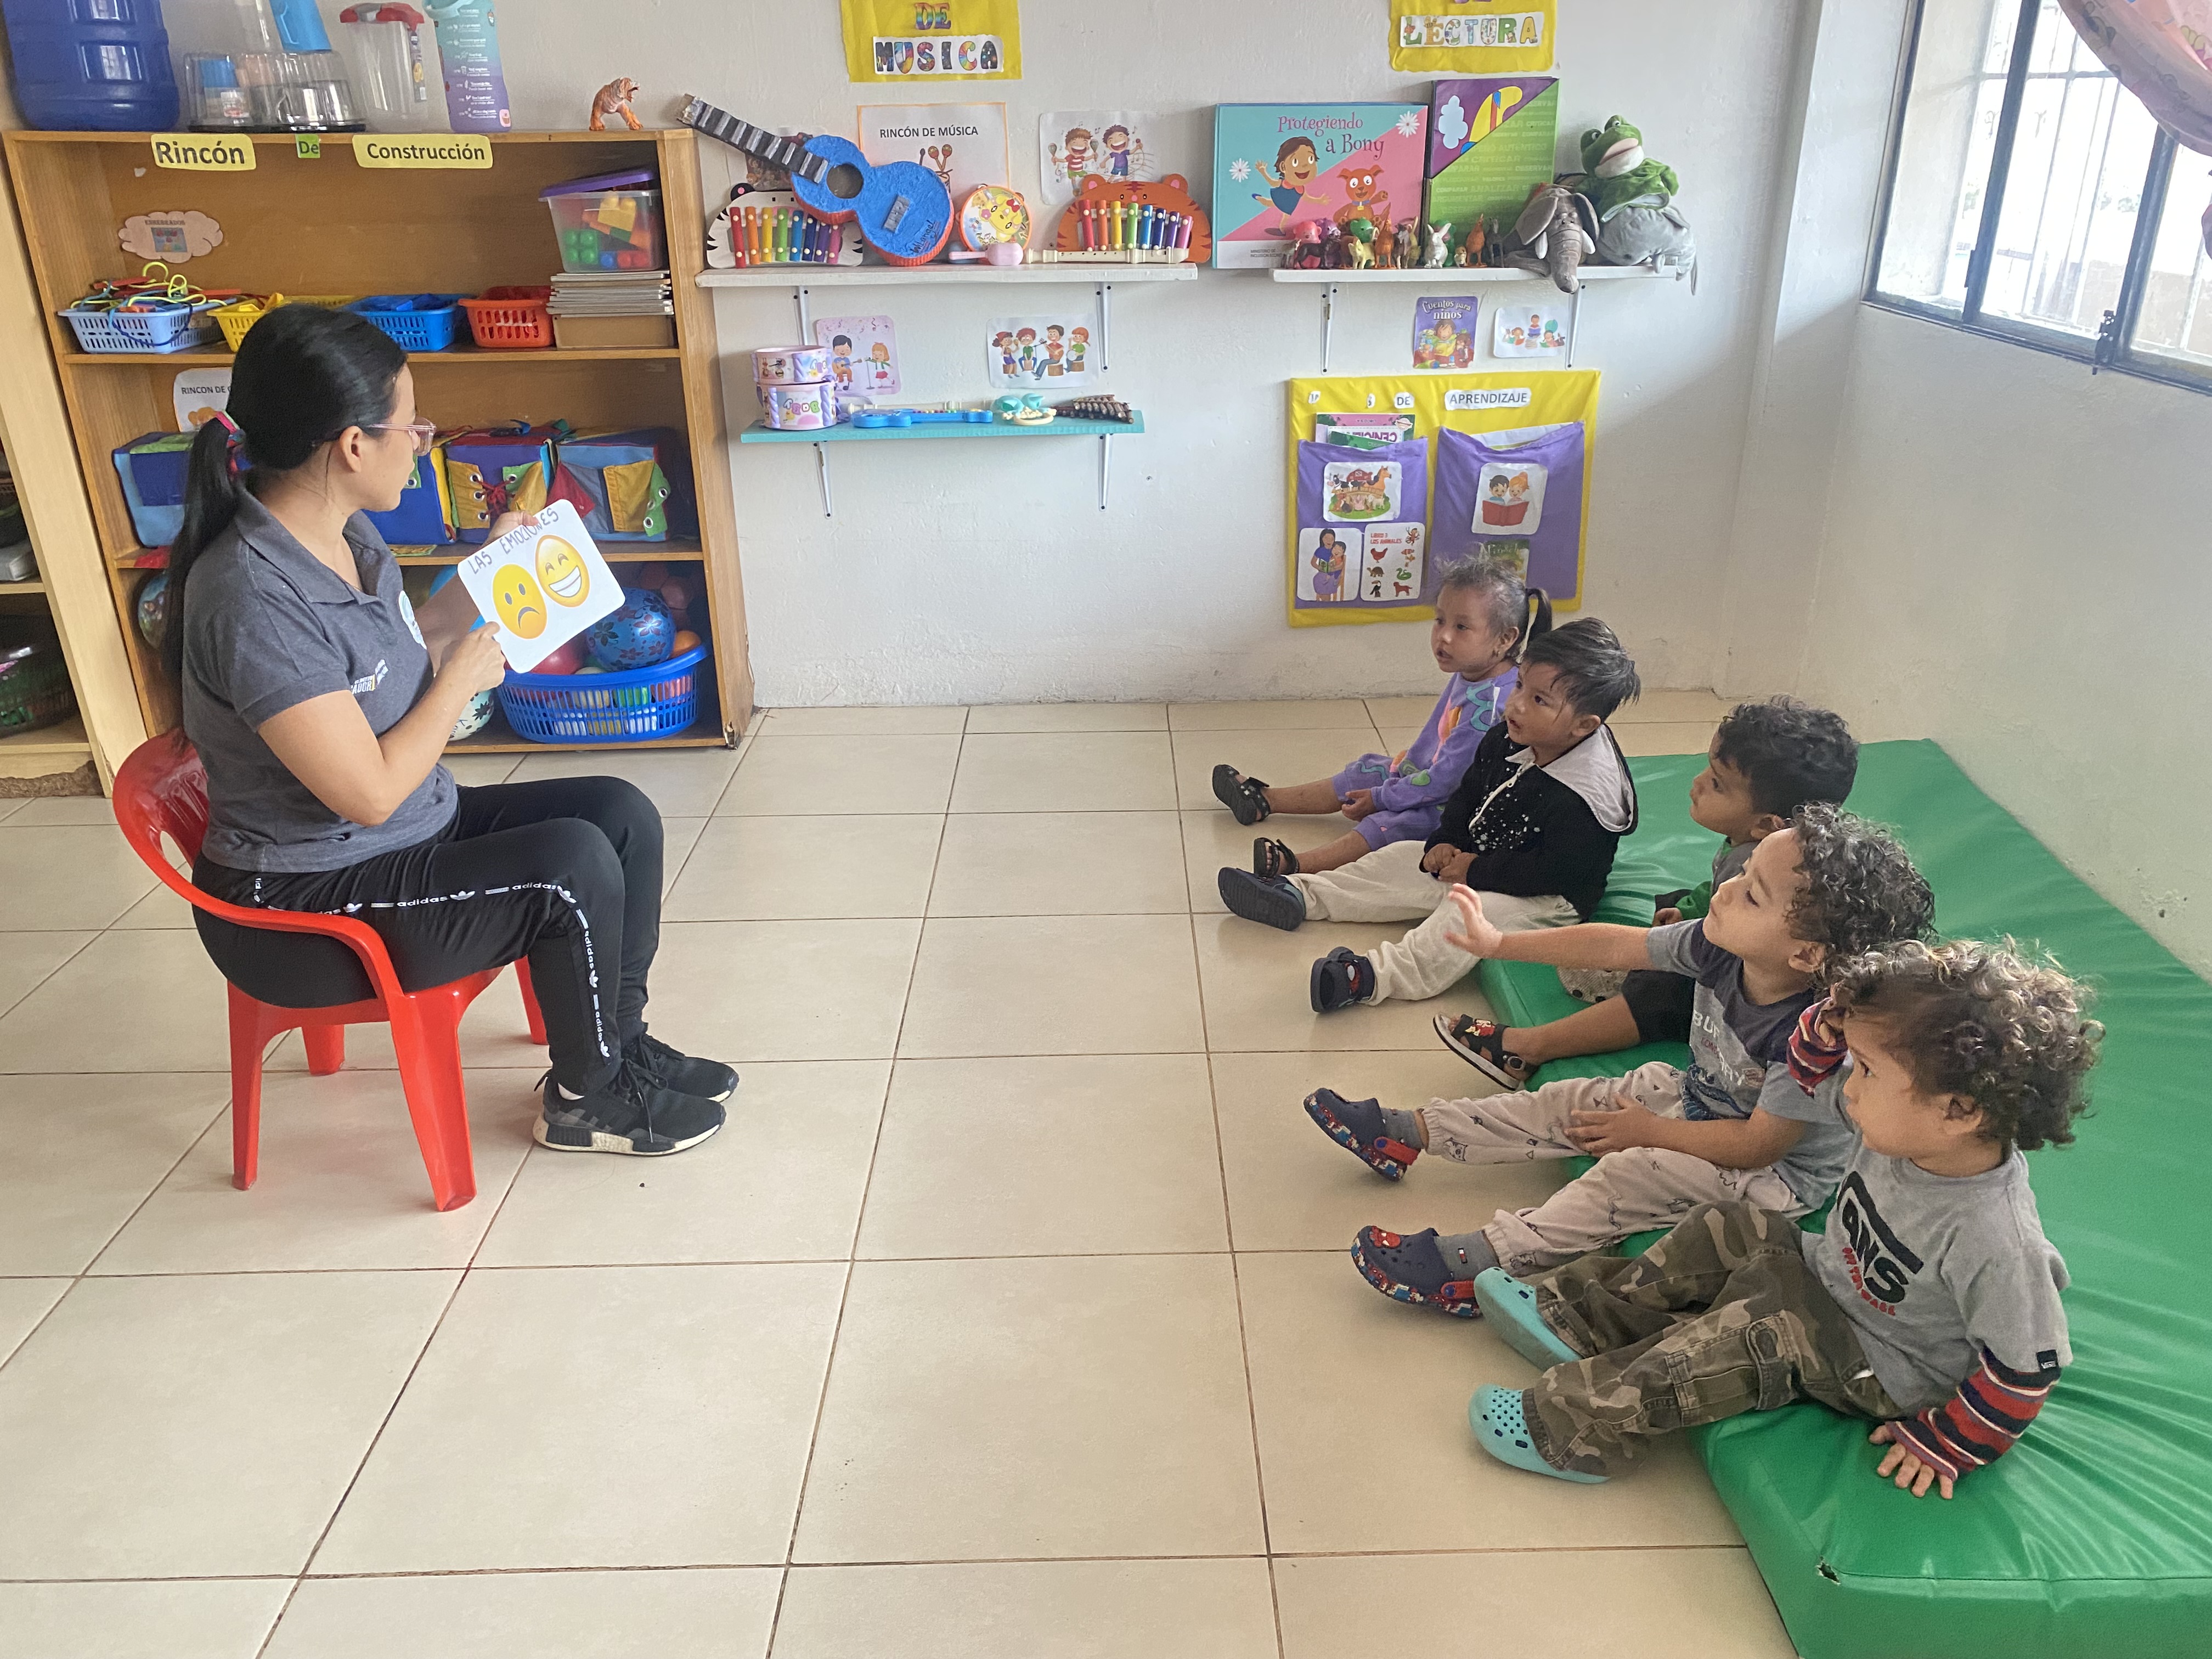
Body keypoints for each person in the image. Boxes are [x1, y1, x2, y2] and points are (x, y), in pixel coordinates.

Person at [167, 304, 732, 1158]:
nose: (422, 443)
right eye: (412, 426)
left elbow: (413, 645)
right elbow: (368, 790)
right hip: (301, 908)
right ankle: (589, 1099)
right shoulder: (254, 600)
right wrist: (462, 682)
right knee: (570, 865)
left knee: (620, 815)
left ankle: (617, 1046)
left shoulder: (344, 534)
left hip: (393, 838)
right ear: (352, 446)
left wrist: (487, 574)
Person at [1461, 939, 2096, 1492]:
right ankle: (1578, 1318)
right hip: (1827, 1277)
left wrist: (1948, 1443)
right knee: (1730, 1223)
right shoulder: (1907, 1126)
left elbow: (2026, 1368)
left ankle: (1574, 1431)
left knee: (1763, 1327)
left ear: (1959, 1110)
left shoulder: (1996, 1237)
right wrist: (1831, 1023)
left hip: (1882, 1364)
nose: (1849, 1085)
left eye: (1868, 1072)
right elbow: (1808, 1071)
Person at [1317, 804, 1933, 1306]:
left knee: (1628, 1174)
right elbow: (1620, 946)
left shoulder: (1815, 1041)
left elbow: (1758, 1147)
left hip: (1771, 1178)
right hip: (1700, 1098)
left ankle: (1482, 1263)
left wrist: (1651, 1133)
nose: (1725, 890)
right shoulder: (1719, 946)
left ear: (1805, 955)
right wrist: (1500, 942)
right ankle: (1412, 1133)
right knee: (1571, 1100)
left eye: (1752, 895)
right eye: (1742, 874)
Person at [1217, 618, 1640, 1015]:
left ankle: (1370, 978)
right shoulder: (1509, 734)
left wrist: (1475, 870)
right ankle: (1301, 894)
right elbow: (1469, 792)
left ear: (1583, 726)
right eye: (1519, 686)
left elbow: (1553, 873)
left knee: (1467, 915)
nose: (1516, 705)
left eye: (1539, 700)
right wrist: (1445, 840)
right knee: (1401, 857)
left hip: (1546, 897)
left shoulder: (1584, 798)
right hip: (1483, 858)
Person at [1437, 697, 1860, 1087]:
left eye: (1717, 784)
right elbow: (1716, 892)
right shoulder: (1763, 850)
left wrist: (1677, 949)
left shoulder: (1757, 863)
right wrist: (1691, 910)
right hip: (1746, 944)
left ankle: (1529, 1049)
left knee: (1663, 992)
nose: (1698, 782)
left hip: (1756, 978)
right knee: (1678, 904)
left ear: (1767, 825)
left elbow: (1729, 951)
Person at [1212, 555, 1545, 877]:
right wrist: (1393, 782)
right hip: (1434, 777)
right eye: (1440, 620)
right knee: (1367, 770)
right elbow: (1438, 757)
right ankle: (1264, 801)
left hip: (1464, 807)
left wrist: (1381, 798)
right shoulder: (1474, 670)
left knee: (1390, 821)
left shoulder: (1490, 705)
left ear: (1505, 639)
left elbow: (1448, 782)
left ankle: (1296, 866)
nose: (1444, 636)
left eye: (1462, 627)